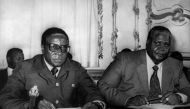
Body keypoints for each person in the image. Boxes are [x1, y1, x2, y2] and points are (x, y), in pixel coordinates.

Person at [0, 27, 105, 109]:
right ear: (42, 48)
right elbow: (5, 99)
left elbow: (94, 93)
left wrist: (95, 105)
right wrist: (32, 105)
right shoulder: (25, 68)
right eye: (53, 47)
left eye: (64, 48)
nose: (59, 53)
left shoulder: (75, 68)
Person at [98, 26, 190, 108]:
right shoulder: (125, 60)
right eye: (157, 43)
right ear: (148, 43)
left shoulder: (175, 64)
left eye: (166, 44)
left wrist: (179, 97)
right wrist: (128, 100)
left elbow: (187, 90)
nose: (162, 48)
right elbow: (103, 86)